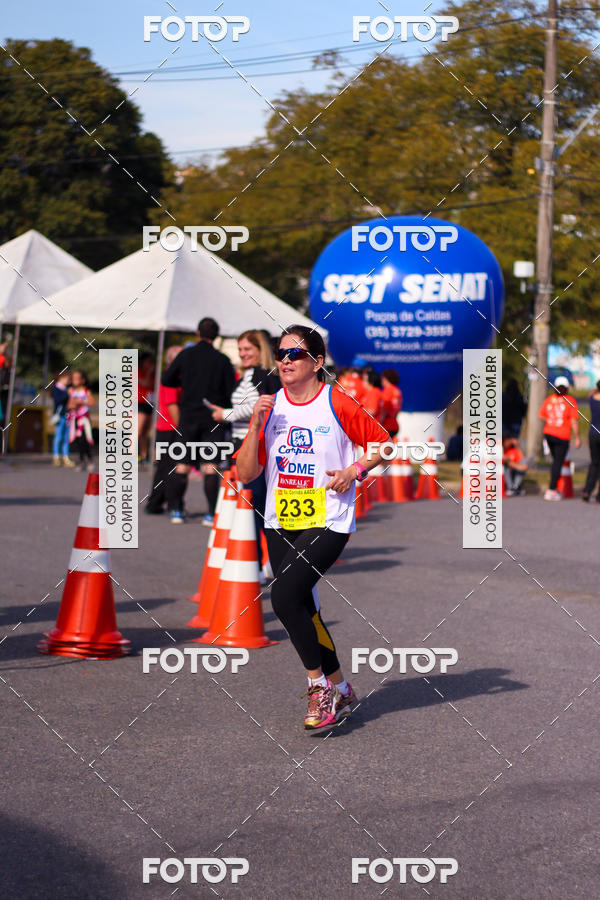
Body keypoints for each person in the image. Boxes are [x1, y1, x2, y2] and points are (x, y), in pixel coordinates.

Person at [236, 325, 390, 730]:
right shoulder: (270, 407)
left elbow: (383, 443)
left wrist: (355, 469)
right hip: (280, 518)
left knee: (284, 597)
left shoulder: (335, 401)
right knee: (307, 609)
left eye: (295, 354)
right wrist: (254, 425)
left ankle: (319, 688)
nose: (284, 360)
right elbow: (246, 472)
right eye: (281, 354)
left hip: (329, 518)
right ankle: (340, 686)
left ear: (317, 363)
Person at [209, 330, 280, 561]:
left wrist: (225, 414)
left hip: (252, 446)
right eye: (240, 349)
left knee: (254, 506)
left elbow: (259, 405)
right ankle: (264, 561)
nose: (242, 354)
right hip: (247, 445)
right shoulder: (255, 373)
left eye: (248, 349)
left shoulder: (260, 374)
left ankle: (260, 562)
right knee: (255, 507)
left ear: (261, 349)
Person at [161, 318, 235, 525]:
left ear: (197, 333)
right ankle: (211, 514)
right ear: (217, 336)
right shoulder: (222, 360)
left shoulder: (186, 355)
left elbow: (166, 379)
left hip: (189, 415)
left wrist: (184, 382)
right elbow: (231, 391)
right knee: (210, 467)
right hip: (213, 417)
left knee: (182, 465)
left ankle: (177, 510)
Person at [146, 346, 183, 515]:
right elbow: (172, 404)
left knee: (165, 467)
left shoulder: (175, 376)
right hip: (169, 427)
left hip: (167, 426)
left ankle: (156, 502)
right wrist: (181, 429)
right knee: (169, 467)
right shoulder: (171, 377)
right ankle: (164, 503)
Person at [538, 375, 581, 501]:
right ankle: (551, 489)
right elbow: (574, 421)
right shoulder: (570, 400)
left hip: (549, 433)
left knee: (555, 461)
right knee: (558, 462)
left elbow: (541, 415)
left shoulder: (550, 399)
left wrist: (552, 421)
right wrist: (578, 437)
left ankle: (553, 487)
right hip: (562, 435)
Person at [67, 370, 94, 472]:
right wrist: (74, 404)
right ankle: (82, 460)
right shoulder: (73, 392)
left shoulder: (86, 391)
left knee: (84, 440)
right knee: (78, 441)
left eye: (77, 379)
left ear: (82, 380)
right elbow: (69, 405)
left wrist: (82, 401)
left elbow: (92, 402)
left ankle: (89, 459)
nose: (75, 381)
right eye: (73, 378)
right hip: (75, 418)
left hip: (84, 419)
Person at [51, 371, 75, 467]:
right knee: (58, 436)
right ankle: (56, 456)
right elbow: (58, 400)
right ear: (61, 378)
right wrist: (67, 394)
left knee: (66, 438)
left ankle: (65, 457)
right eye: (67, 379)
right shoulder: (56, 388)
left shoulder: (67, 389)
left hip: (68, 416)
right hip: (60, 416)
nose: (68, 381)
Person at [582, 380, 600, 502]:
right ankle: (599, 495)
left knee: (594, 463)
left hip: (593, 434)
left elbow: (590, 393)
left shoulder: (592, 399)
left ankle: (587, 491)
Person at [137, 352, 156, 463]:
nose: (150, 364)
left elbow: (153, 385)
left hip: (150, 403)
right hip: (140, 403)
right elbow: (145, 383)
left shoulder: (154, 374)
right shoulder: (138, 373)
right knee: (137, 431)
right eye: (148, 362)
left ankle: (144, 455)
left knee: (145, 432)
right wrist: (149, 372)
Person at [380, 369, 403, 437]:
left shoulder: (387, 390)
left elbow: (384, 409)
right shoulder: (397, 391)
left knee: (383, 447)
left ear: (385, 379)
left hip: (386, 425)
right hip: (394, 423)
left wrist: (379, 423)